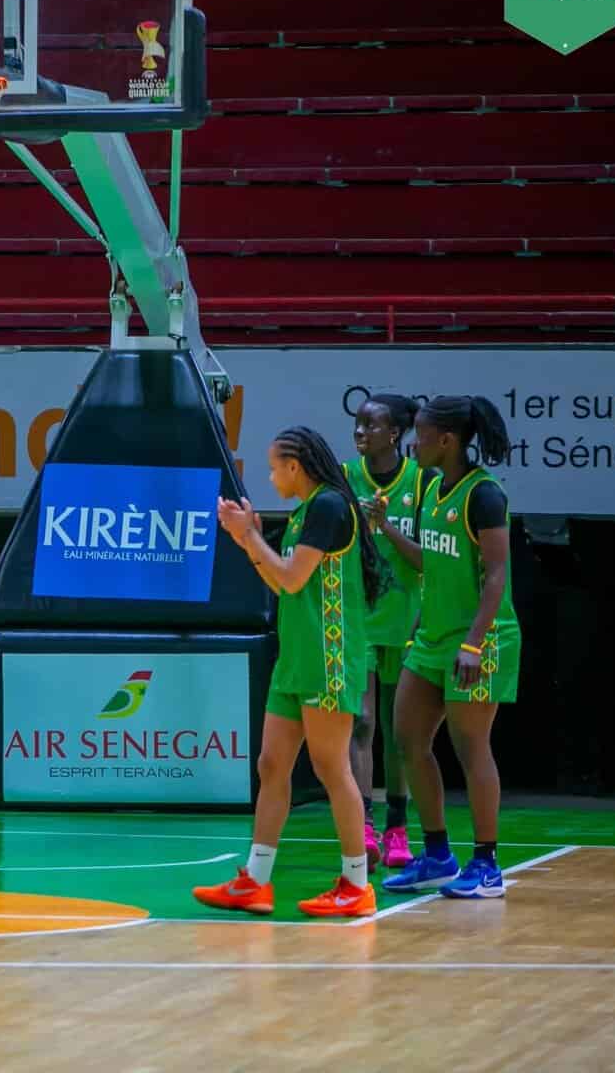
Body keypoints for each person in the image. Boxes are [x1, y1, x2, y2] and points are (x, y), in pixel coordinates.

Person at [193, 426, 389, 918]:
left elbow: (290, 576)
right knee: (271, 765)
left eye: (275, 467)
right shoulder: (307, 512)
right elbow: (283, 583)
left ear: (295, 467)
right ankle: (255, 881)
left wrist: (248, 534)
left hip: (328, 659)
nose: (271, 475)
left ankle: (355, 884)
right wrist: (248, 540)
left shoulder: (327, 507)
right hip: (296, 659)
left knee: (331, 768)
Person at [384, 396, 520, 900]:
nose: (411, 443)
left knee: (470, 746)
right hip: (432, 638)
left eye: (418, 435)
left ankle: (487, 864)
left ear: (447, 440)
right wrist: (386, 529)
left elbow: (496, 576)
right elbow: (432, 564)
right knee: (407, 739)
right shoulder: (432, 488)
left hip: (479, 639)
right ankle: (437, 854)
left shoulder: (484, 495)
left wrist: (472, 644)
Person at [343, 393, 428, 871]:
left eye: (370, 425)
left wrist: (385, 528)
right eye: (357, 424)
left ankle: (399, 827)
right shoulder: (342, 477)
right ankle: (366, 826)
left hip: (407, 619)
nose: (359, 432)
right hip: (357, 619)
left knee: (400, 731)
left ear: (394, 433)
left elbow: (427, 562)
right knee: (362, 721)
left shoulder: (421, 483)